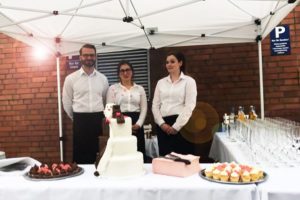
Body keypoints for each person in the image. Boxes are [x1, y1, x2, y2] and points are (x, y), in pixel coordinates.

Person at [62, 44, 109, 164]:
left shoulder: (103, 79)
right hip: (80, 121)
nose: (89, 57)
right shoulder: (71, 79)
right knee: (81, 156)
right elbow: (66, 102)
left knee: (99, 154)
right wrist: (76, 118)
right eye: (86, 55)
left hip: (98, 119)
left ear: (95, 57)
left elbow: (105, 100)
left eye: (92, 55)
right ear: (80, 57)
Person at [152, 52, 197, 156]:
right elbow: (155, 105)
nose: (169, 64)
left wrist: (176, 127)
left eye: (172, 61)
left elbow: (190, 106)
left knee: (184, 160)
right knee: (166, 160)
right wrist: (161, 124)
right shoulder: (161, 83)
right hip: (163, 125)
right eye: (167, 62)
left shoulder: (189, 81)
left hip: (182, 124)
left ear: (180, 63)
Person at [106, 60, 147, 159]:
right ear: (118, 74)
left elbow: (144, 108)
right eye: (122, 71)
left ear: (132, 72)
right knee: (122, 154)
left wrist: (139, 124)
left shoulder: (140, 89)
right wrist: (122, 124)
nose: (125, 73)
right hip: (119, 123)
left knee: (138, 152)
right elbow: (109, 108)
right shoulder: (113, 88)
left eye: (128, 70)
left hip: (137, 123)